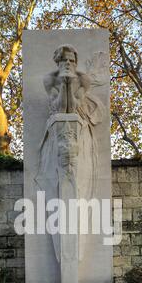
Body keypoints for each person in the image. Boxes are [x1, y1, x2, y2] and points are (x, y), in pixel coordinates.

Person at [35, 45, 105, 262]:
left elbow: (72, 107)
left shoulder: (83, 79)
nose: (69, 64)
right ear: (58, 62)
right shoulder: (49, 79)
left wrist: (70, 83)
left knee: (79, 193)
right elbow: (59, 107)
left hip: (78, 136)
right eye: (65, 60)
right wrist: (64, 84)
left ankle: (75, 258)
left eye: (72, 60)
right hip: (57, 138)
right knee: (57, 193)